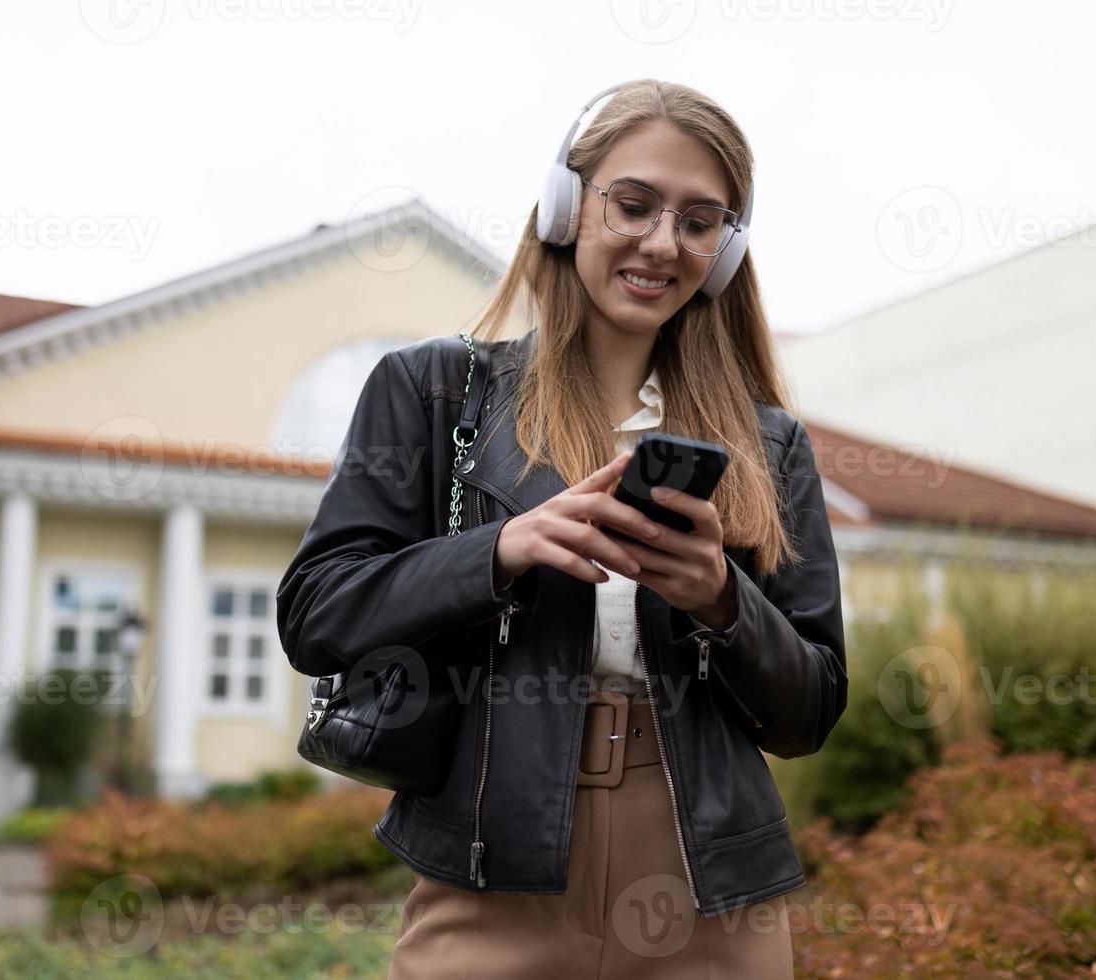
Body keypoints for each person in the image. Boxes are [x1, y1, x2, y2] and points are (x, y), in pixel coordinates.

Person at [276, 77, 846, 979]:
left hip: (706, 884)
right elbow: (314, 614)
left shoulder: (768, 444)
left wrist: (721, 598)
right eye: (635, 204)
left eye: (700, 221)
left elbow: (810, 708)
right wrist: (497, 551)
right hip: (491, 867)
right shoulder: (433, 394)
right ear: (566, 207)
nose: (664, 242)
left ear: (725, 251)